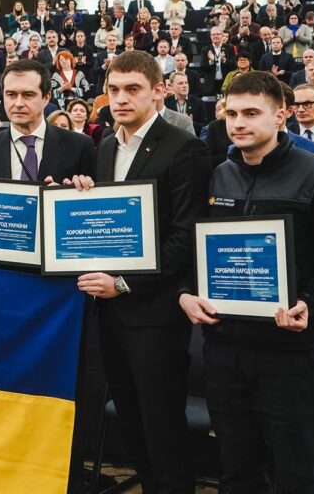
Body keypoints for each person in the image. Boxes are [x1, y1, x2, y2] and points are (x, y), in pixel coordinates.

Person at [179, 71, 314, 493]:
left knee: (296, 474)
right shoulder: (217, 177)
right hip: (224, 349)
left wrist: (311, 302)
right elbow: (197, 255)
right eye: (231, 114)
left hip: (288, 353)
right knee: (236, 470)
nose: (238, 123)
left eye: (251, 113)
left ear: (281, 115)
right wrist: (186, 294)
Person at [67, 51, 210, 494]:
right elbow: (112, 226)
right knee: (132, 425)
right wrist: (82, 198)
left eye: (133, 89)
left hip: (156, 316)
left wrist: (124, 283)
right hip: (110, 316)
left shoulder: (185, 147)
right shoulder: (107, 146)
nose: (121, 99)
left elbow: (185, 237)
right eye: (113, 90)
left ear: (158, 91)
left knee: (162, 429)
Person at [0, 60, 96, 183]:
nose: (18, 103)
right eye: (11, 94)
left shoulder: (80, 147)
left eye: (28, 95)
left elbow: (91, 203)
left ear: (46, 97)